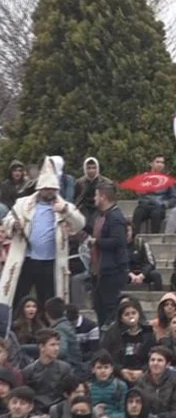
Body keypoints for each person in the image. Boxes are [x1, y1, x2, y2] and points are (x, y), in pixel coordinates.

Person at [4, 158, 85, 313]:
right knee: (18, 296)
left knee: (47, 299)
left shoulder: (62, 206)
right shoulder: (23, 204)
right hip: (26, 259)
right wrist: (14, 225)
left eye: (53, 188)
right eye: (47, 188)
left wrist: (65, 210)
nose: (50, 192)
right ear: (40, 188)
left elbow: (80, 223)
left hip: (50, 262)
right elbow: (7, 220)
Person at [85, 183, 129, 327]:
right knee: (99, 307)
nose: (94, 198)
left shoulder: (115, 217)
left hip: (112, 271)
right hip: (99, 271)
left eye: (96, 195)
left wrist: (96, 242)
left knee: (110, 308)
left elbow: (118, 241)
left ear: (103, 197)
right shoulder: (101, 216)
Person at [100, 298, 155, 384]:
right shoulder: (112, 334)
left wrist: (142, 371)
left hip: (144, 374)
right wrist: (120, 370)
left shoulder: (148, 333)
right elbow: (106, 356)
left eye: (133, 313)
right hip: (118, 375)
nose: (131, 316)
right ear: (121, 318)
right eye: (127, 314)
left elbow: (154, 354)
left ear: (138, 314)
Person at [22, 328, 71, 412]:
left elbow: (67, 394)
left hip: (59, 410)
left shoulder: (65, 368)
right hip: (36, 411)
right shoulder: (28, 371)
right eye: (52, 345)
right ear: (41, 347)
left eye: (58, 345)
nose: (57, 348)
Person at [135, 346, 176, 418]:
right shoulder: (141, 380)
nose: (155, 363)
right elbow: (137, 405)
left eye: (160, 360)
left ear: (168, 364)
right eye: (152, 360)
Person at [131, 155, 176, 234]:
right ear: (151, 164)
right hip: (144, 205)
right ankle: (133, 239)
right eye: (157, 162)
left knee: (156, 214)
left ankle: (154, 238)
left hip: (159, 206)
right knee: (137, 214)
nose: (160, 164)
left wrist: (165, 204)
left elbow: (174, 197)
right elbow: (137, 192)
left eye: (162, 162)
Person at [89, 350, 128, 418]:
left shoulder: (120, 386)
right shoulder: (87, 388)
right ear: (93, 369)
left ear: (111, 369)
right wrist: (94, 412)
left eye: (106, 367)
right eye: (99, 368)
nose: (103, 371)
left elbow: (126, 412)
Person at [43, 297, 81, 368]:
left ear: (47, 314)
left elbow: (61, 352)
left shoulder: (59, 329)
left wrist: (43, 350)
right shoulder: (66, 324)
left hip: (69, 370)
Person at [124, 222, 162, 290]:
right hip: (127, 273)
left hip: (142, 272)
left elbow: (151, 262)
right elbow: (118, 264)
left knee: (156, 275)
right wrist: (130, 274)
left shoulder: (141, 243)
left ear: (132, 231)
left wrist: (142, 275)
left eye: (127, 230)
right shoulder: (117, 246)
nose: (126, 233)